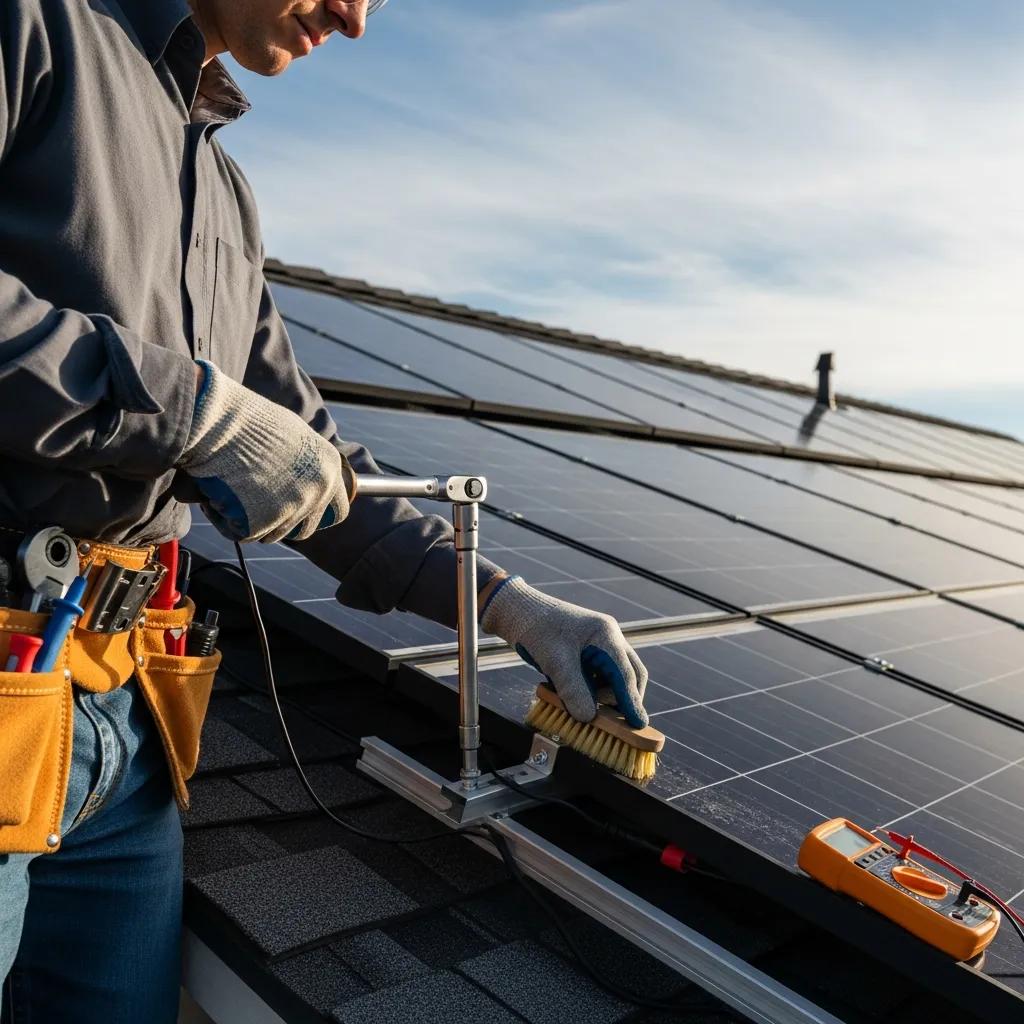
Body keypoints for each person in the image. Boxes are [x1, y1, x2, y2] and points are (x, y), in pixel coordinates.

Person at [0, 1, 651, 1020]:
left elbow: (308, 464)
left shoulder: (223, 192)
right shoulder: (36, 26)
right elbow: (216, 420)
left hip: (124, 715)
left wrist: (507, 605)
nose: (353, 20)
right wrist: (189, 412)